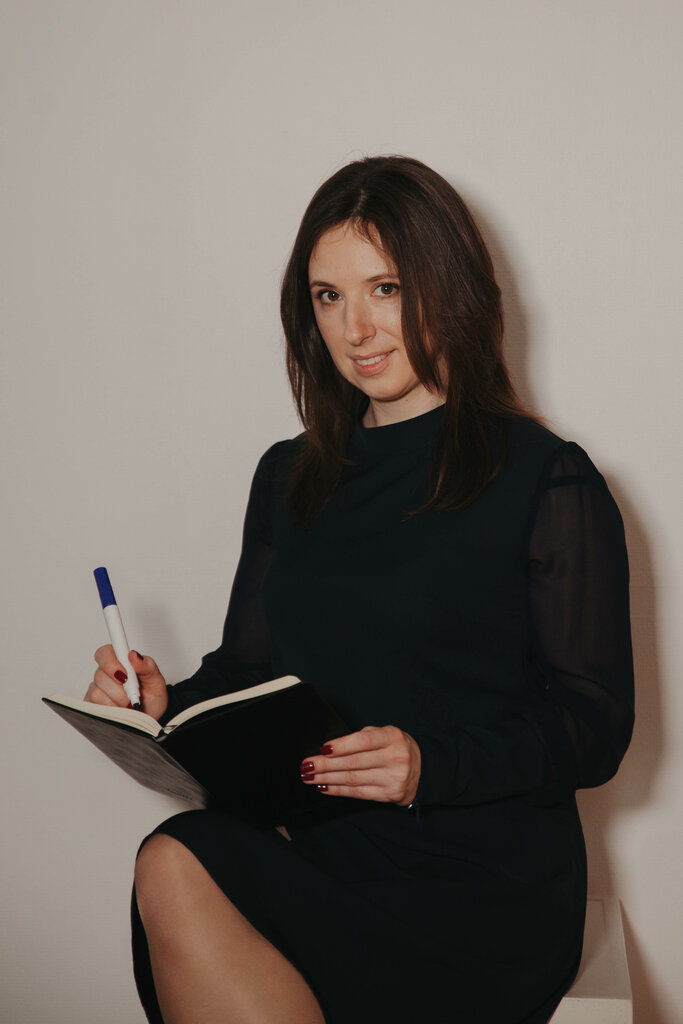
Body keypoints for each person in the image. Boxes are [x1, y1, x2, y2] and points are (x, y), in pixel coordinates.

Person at [85, 155, 635, 1024]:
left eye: (386, 288)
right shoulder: (288, 476)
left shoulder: (545, 477)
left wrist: (428, 765)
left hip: (482, 886)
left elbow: (594, 725)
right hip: (326, 854)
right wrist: (161, 704)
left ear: (449, 287)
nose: (356, 328)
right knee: (173, 856)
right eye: (328, 296)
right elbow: (246, 674)